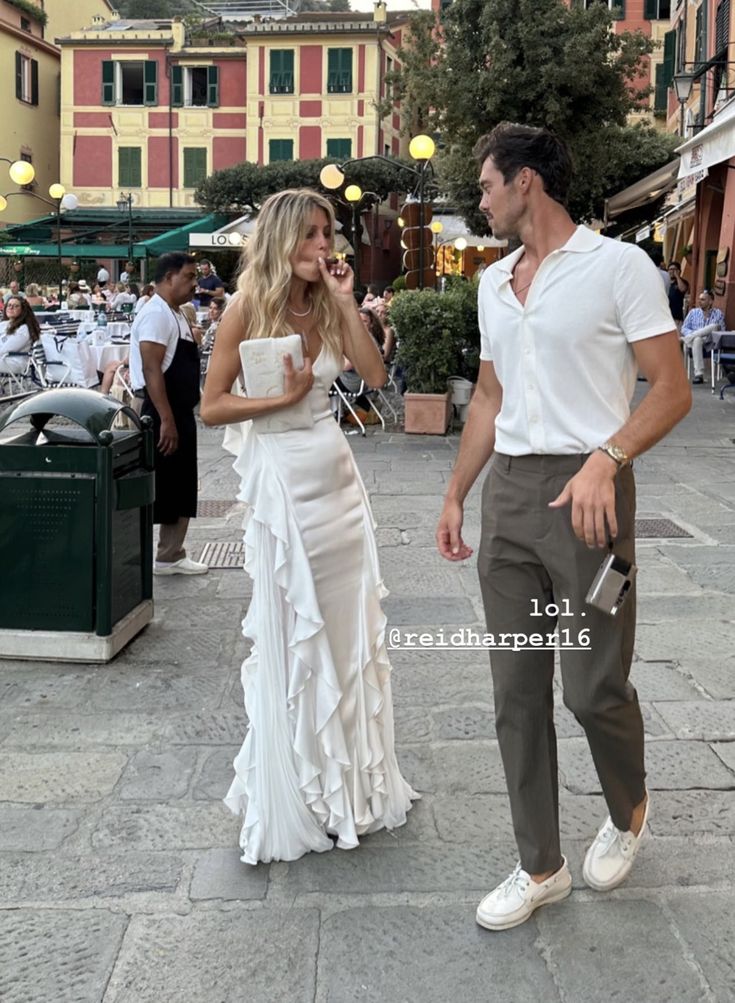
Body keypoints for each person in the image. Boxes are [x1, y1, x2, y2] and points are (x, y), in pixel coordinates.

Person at [436, 123, 691, 932]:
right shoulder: (493, 282)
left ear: (526, 184)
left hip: (593, 505)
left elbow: (670, 388)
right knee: (515, 691)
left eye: (485, 186)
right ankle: (538, 863)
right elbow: (487, 399)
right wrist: (454, 494)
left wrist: (604, 458)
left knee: (591, 685)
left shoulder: (618, 268)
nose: (480, 200)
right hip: (508, 500)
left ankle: (628, 805)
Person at [200, 188, 417, 865]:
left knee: (350, 631)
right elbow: (211, 406)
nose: (325, 248)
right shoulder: (244, 309)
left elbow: (375, 375)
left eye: (329, 235)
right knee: (297, 633)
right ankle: (301, 785)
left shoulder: (328, 304)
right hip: (283, 483)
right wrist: (281, 397)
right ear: (282, 240)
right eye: (313, 236)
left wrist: (348, 303)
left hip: (335, 478)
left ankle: (352, 789)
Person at [129, 252, 208, 577]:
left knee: (180, 485)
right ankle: (161, 554)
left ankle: (170, 553)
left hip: (177, 409)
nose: (194, 283)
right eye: (189, 277)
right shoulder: (156, 315)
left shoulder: (173, 313)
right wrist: (167, 420)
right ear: (168, 277)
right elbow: (152, 370)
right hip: (162, 410)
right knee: (163, 485)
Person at [681, 288, 725, 384]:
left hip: (710, 342)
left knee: (715, 326)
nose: (699, 302)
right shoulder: (693, 312)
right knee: (697, 339)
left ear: (710, 301)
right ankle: (699, 374)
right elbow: (684, 328)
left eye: (703, 299)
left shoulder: (718, 313)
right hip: (695, 343)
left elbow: (722, 331)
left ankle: (688, 338)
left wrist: (694, 334)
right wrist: (697, 334)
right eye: (699, 299)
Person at [0, 296, 40, 373]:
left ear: (23, 310)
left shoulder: (23, 329)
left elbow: (5, 349)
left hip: (14, 362)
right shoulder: (3, 324)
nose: (11, 308)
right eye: (9, 305)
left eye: (16, 306)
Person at [668, 262, 689, 333]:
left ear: (679, 271)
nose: (671, 271)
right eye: (670, 269)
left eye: (674, 269)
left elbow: (683, 289)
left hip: (677, 318)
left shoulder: (682, 282)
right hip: (666, 317)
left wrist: (677, 277)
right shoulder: (666, 282)